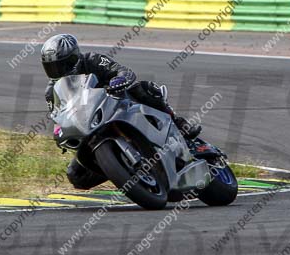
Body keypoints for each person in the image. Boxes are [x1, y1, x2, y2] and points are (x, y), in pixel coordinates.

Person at [41, 34, 201, 189]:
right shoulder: (52, 93)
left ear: (75, 57)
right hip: (90, 126)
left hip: (118, 104)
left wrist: (118, 80)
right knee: (76, 175)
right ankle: (122, 168)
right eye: (52, 67)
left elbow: (123, 71)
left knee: (142, 88)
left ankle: (179, 123)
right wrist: (60, 131)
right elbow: (58, 117)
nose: (59, 70)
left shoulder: (92, 60)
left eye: (63, 64)